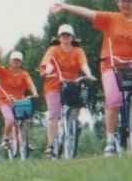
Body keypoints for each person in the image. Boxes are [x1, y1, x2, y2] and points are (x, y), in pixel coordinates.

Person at [50, 0, 132, 155]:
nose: (126, 4)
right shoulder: (110, 19)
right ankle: (110, 141)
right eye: (123, 0)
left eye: (129, 1)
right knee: (114, 99)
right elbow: (87, 12)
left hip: (131, 62)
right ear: (117, 2)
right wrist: (65, 6)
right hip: (110, 64)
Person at [39, 23, 96, 157]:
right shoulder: (53, 50)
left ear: (72, 38)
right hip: (54, 84)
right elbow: (47, 63)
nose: (65, 37)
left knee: (78, 104)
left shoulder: (78, 51)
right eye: (63, 35)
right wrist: (47, 70)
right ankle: (51, 145)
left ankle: (73, 127)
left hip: (72, 84)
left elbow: (83, 64)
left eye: (68, 35)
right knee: (54, 113)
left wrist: (88, 74)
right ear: (59, 37)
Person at [0, 47, 39, 156]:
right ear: (10, 61)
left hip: (19, 101)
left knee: (26, 120)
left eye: (18, 60)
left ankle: (26, 141)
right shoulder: (4, 71)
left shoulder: (24, 74)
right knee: (10, 120)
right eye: (14, 60)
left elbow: (30, 83)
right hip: (5, 100)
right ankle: (6, 137)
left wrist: (34, 92)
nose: (16, 62)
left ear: (21, 62)